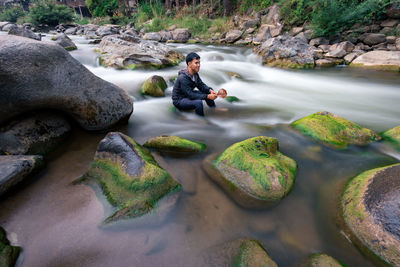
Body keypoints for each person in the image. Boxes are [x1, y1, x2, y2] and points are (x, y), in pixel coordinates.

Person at [172, 52, 227, 116]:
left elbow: (201, 85)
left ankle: (213, 108)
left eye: (199, 62)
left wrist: (210, 90)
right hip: (179, 100)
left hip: (188, 95)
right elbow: (190, 95)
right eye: (196, 63)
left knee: (207, 92)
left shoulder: (194, 74)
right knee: (198, 103)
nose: (199, 65)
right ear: (189, 64)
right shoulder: (183, 77)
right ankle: (201, 120)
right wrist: (208, 96)